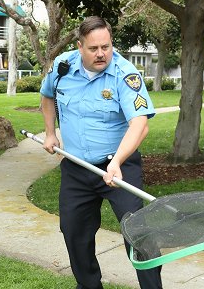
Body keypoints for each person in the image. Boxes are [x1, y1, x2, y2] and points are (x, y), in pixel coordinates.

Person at [40, 16, 162, 289]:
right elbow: (47, 96)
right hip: (75, 167)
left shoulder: (124, 73)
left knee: (138, 235)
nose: (101, 54)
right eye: (93, 48)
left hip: (119, 166)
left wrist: (117, 161)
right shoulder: (62, 67)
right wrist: (50, 132)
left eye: (106, 47)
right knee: (74, 233)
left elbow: (140, 125)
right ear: (79, 47)